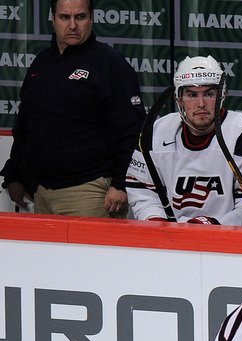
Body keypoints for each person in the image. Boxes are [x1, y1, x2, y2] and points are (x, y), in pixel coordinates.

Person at [1, 0, 144, 217]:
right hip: (41, 193)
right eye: (64, 17)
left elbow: (132, 129)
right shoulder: (41, 63)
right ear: (53, 19)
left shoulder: (109, 63)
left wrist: (121, 183)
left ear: (91, 18)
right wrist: (14, 175)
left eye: (80, 17)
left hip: (90, 192)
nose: (73, 25)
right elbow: (26, 126)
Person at [126, 55, 242, 226]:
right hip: (172, 236)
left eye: (209, 94)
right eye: (192, 95)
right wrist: (158, 223)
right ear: (179, 99)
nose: (201, 103)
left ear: (223, 95)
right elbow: (142, 191)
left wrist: (210, 225)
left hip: (229, 237)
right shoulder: (156, 132)